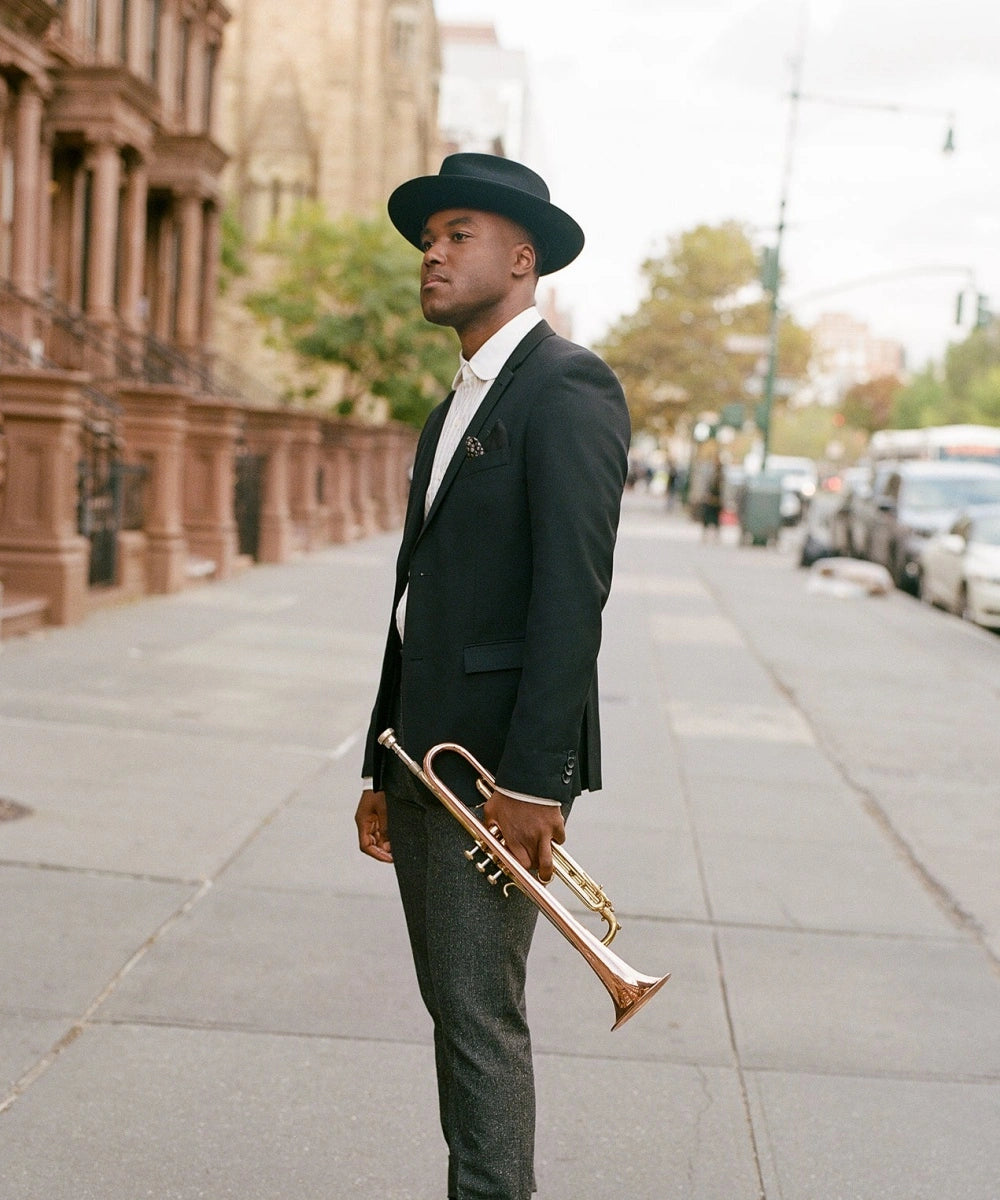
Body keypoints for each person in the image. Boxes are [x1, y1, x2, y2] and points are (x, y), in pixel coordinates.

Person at [354, 153, 630, 1200]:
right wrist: (380, 757)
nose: (432, 251)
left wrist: (536, 780)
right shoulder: (453, 402)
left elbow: (573, 595)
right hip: (422, 755)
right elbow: (414, 595)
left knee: (478, 1018)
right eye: (429, 236)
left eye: (456, 233)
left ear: (521, 259)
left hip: (494, 775)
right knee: (454, 1010)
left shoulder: (568, 386)